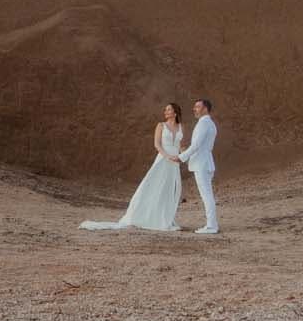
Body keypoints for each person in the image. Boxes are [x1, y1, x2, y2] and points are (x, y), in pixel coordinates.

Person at [81, 102, 186, 232]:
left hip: (175, 163)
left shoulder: (181, 127)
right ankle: (141, 215)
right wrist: (167, 156)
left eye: (168, 109)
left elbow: (181, 146)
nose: (165, 111)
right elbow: (157, 144)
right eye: (165, 109)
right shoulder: (161, 125)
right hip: (163, 160)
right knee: (152, 185)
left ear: (175, 112)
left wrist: (184, 156)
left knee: (169, 190)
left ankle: (163, 218)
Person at [180, 97, 219, 234]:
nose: (194, 109)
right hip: (205, 162)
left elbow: (196, 145)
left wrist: (181, 157)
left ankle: (211, 226)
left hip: (202, 163)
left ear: (205, 109)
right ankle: (211, 225)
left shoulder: (204, 123)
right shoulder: (210, 123)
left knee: (207, 196)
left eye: (197, 107)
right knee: (207, 195)